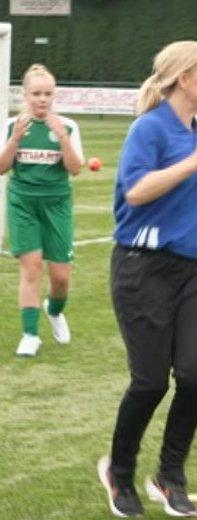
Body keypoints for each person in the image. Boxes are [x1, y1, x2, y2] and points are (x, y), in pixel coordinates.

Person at [97, 40, 197, 519]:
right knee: (150, 383)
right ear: (183, 79)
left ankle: (170, 477)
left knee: (196, 375)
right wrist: (195, 161)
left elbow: (186, 198)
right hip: (141, 271)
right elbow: (136, 191)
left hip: (193, 271)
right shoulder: (148, 130)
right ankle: (120, 474)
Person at [0, 64, 83, 356]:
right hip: (23, 203)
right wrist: (14, 141)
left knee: (60, 277)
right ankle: (30, 334)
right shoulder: (12, 125)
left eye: (48, 93)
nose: (42, 99)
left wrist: (61, 137)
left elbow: (75, 169)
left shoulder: (68, 126)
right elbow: (1, 168)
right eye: (36, 93)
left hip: (56, 204)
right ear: (24, 94)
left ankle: (55, 309)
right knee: (31, 268)